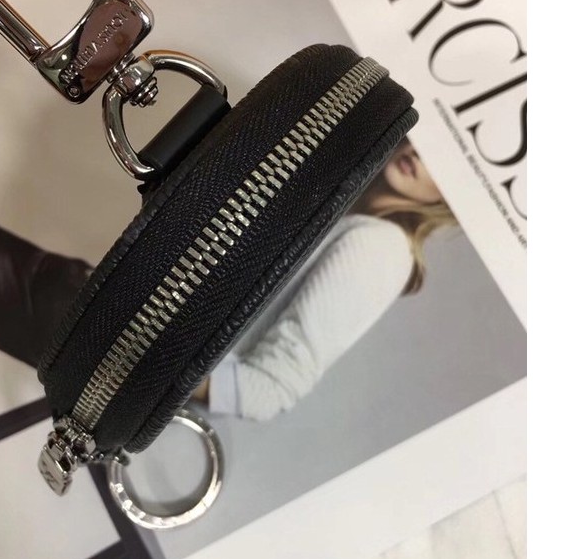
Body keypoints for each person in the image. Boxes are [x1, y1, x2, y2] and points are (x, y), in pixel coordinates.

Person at [192, 138, 457, 421]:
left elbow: (270, 388)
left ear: (449, 201)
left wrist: (165, 368)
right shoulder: (342, 206)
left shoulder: (379, 245)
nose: (420, 154)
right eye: (430, 141)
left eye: (445, 162)